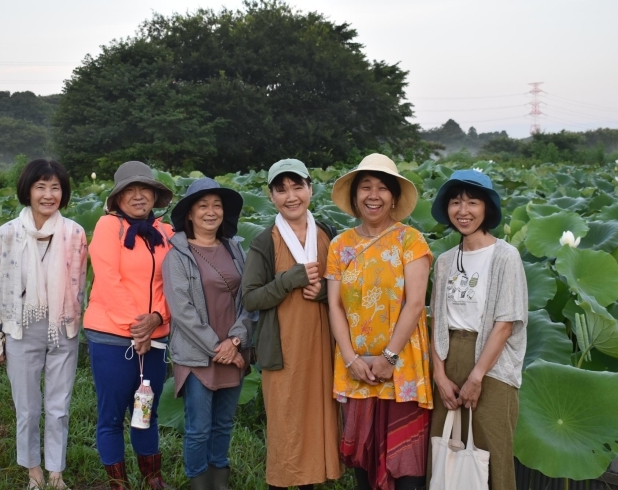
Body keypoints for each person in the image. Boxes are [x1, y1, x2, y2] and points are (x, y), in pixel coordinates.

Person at [0, 159, 87, 490]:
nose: (48, 195)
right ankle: (33, 471)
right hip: (21, 329)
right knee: (27, 407)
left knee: (59, 405)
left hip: (63, 328)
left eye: (55, 187)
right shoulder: (8, 233)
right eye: (41, 187)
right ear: (28, 190)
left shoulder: (75, 233)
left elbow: (80, 286)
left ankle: (56, 472)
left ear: (63, 193)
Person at [325, 153, 433, 490]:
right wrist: (351, 358)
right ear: (355, 197)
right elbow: (335, 307)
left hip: (402, 369)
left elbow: (415, 303)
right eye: (366, 187)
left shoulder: (411, 241)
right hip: (356, 368)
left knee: (407, 469)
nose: (374, 195)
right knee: (364, 465)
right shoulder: (339, 245)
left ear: (394, 197)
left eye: (382, 188)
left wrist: (389, 357)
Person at [241, 159, 343, 490]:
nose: (291, 196)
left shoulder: (328, 233)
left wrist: (324, 292)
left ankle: (310, 485)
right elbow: (251, 299)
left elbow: (346, 289)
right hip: (283, 351)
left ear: (311, 189)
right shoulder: (265, 241)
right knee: (287, 429)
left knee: (316, 425)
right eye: (281, 189)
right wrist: (288, 280)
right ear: (271, 196)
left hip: (323, 348)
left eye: (298, 186)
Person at [427, 169, 527, 490]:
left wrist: (476, 376)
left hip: (492, 365)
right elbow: (437, 322)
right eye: (455, 202)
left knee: (490, 452)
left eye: (472, 202)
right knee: (447, 450)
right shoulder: (444, 261)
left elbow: (506, 322)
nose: (463, 210)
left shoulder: (505, 256)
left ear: (486, 208)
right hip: (449, 355)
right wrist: (439, 376)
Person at [84, 161, 174, 490]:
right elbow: (108, 280)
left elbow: (173, 284)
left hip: (156, 335)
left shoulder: (167, 232)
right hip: (111, 335)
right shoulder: (110, 227)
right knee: (111, 415)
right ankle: (118, 483)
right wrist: (138, 328)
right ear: (118, 198)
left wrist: (158, 319)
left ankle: (153, 477)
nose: (138, 196)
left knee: (145, 409)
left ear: (154, 194)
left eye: (144, 189)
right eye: (129, 191)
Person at [162, 177, 255, 490]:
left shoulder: (234, 249)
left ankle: (220, 483)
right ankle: (199, 484)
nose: (211, 212)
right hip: (198, 355)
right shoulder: (177, 254)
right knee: (198, 428)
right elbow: (183, 311)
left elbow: (247, 301)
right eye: (203, 206)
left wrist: (237, 341)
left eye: (217, 205)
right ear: (190, 213)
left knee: (223, 424)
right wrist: (220, 348)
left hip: (234, 350)